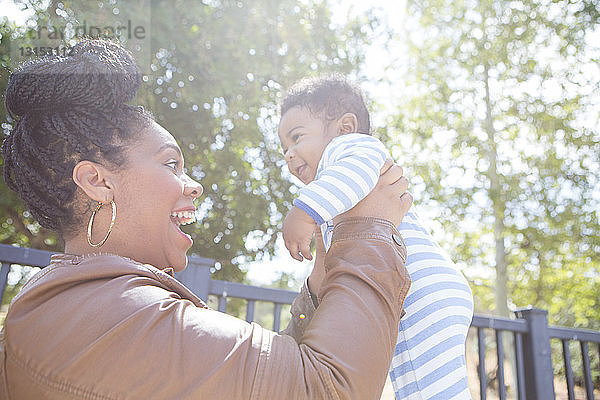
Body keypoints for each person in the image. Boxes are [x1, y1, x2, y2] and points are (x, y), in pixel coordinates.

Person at [0, 39, 414, 399]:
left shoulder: (83, 308)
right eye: (170, 163)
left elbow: (267, 383)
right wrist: (368, 230)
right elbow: (326, 389)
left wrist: (319, 289)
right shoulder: (120, 315)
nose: (193, 185)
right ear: (96, 181)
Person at [278, 75, 474, 399]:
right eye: (284, 148)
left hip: (415, 288)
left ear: (345, 126)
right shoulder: (338, 184)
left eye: (297, 138)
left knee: (422, 389)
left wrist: (304, 210)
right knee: (431, 388)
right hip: (417, 289)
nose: (289, 153)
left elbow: (354, 171)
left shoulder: (351, 148)